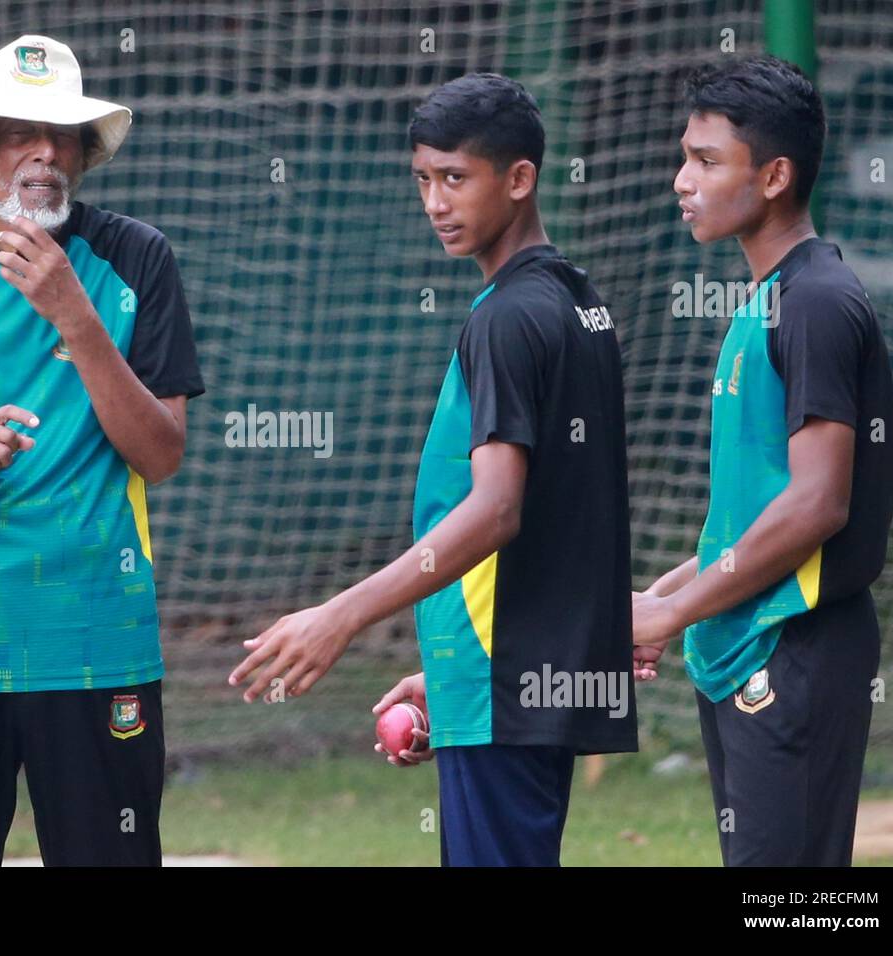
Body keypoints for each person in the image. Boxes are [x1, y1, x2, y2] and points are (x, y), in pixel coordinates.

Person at [229, 74, 637, 866]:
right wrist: (447, 673)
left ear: (519, 179)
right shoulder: (580, 305)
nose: (435, 202)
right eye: (423, 179)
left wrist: (341, 615)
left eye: (456, 178)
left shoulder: (509, 318)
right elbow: (565, 519)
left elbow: (498, 510)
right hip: (517, 673)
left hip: (505, 685)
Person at [0, 35, 204, 866]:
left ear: (86, 153)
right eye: (19, 131)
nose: (45, 151)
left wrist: (75, 317)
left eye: (63, 132)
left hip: (96, 640)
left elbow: (161, 455)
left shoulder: (135, 257)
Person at [633, 55, 893, 866]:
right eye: (685, 156)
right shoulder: (766, 301)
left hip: (799, 648)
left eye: (707, 161)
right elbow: (755, 515)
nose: (683, 180)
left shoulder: (816, 300)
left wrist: (673, 613)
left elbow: (818, 506)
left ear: (776, 174)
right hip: (747, 645)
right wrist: (664, 593)